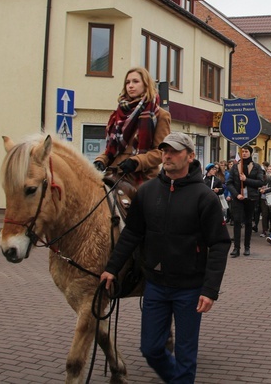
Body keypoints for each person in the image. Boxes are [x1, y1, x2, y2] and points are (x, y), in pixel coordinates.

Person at [100, 132, 230, 383]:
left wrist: (210, 289)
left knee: (185, 355)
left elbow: (220, 244)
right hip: (156, 285)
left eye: (174, 151)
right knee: (150, 349)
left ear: (190, 156)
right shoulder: (147, 192)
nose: (167, 155)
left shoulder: (205, 197)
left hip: (190, 289)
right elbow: (133, 234)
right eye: (164, 151)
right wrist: (112, 267)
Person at [93, 67, 171, 184]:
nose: (130, 85)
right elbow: (112, 149)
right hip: (112, 174)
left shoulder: (160, 114)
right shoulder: (118, 113)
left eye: (135, 81)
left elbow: (161, 152)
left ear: (146, 84)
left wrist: (137, 161)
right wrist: (101, 160)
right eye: (127, 82)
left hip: (141, 178)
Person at [226, 145, 265, 257]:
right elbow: (229, 183)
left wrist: (246, 180)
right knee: (237, 221)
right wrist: (236, 194)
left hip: (251, 197)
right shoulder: (235, 166)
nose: (244, 153)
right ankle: (236, 248)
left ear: (250, 153)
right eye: (242, 151)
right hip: (238, 198)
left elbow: (260, 182)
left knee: (248, 222)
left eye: (246, 151)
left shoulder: (257, 167)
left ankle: (247, 247)